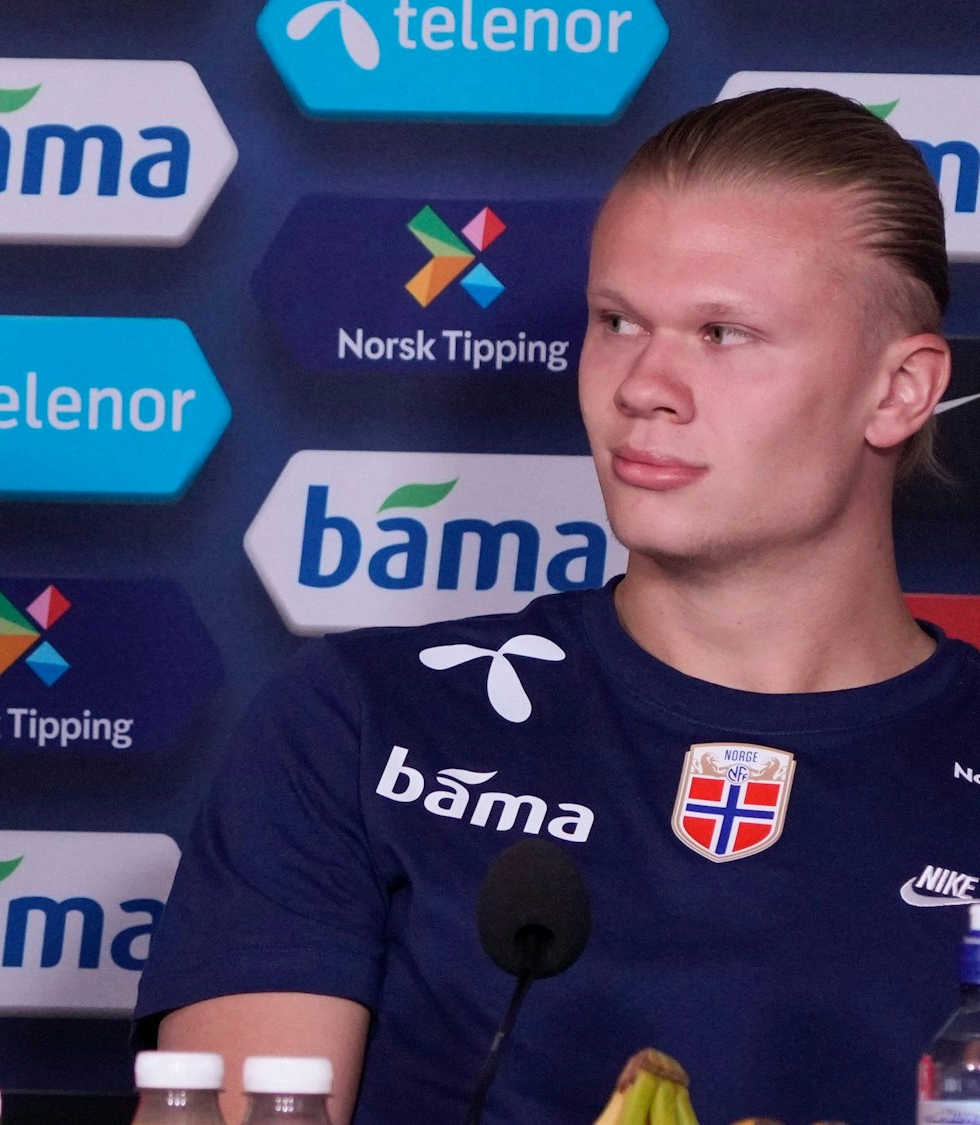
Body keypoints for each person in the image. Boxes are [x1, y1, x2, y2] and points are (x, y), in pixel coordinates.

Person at [136, 87, 971, 1124]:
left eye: (721, 334)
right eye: (616, 321)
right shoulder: (359, 723)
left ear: (897, 391)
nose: (641, 386)